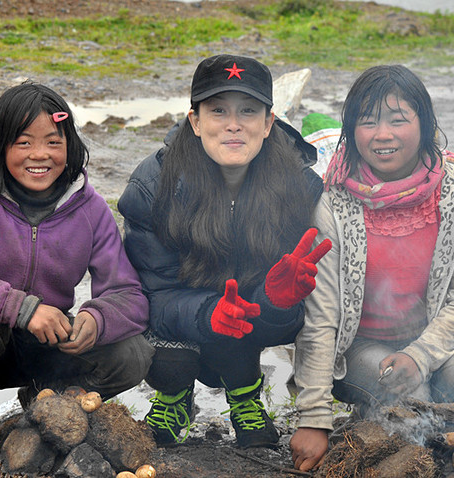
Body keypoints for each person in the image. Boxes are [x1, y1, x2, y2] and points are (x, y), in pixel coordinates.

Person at [0, 82, 153, 475]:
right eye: (23, 142)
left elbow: (128, 293)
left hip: (42, 344)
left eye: (52, 142)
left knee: (133, 353)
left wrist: (96, 319)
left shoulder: (89, 208)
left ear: (69, 146)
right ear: (0, 146)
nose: (39, 155)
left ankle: (49, 405)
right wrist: (21, 308)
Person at [118, 54, 332, 449]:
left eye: (248, 111)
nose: (234, 124)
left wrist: (276, 301)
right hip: (179, 323)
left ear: (268, 123)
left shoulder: (298, 187)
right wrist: (207, 313)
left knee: (250, 317)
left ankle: (245, 394)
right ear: (195, 121)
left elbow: (285, 321)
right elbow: (152, 295)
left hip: (246, 321)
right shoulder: (153, 186)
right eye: (218, 110)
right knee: (168, 353)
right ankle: (173, 395)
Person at [290, 65, 454, 471]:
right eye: (367, 123)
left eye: (398, 119)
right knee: (411, 393)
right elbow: (320, 318)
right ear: (351, 132)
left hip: (430, 334)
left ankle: (439, 439)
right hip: (359, 346)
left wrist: (420, 353)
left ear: (425, 124)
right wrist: (313, 417)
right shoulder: (333, 203)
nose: (382, 135)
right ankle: (384, 425)